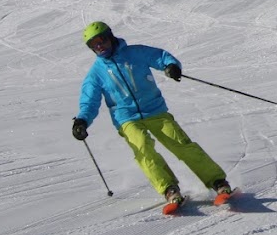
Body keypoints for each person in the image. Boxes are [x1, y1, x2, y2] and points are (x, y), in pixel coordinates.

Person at [72, 22, 230, 209]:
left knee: (181, 144)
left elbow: (160, 57)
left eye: (101, 40)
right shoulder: (96, 74)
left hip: (155, 111)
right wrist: (82, 120)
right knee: (143, 149)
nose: (99, 46)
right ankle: (169, 189)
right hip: (126, 119)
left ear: (110, 37)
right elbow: (89, 101)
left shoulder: (135, 53)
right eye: (93, 44)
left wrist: (171, 66)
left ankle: (218, 182)